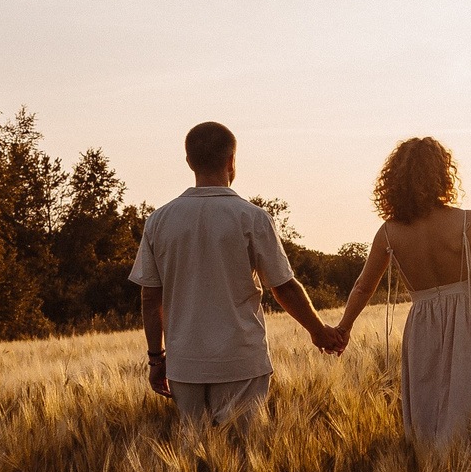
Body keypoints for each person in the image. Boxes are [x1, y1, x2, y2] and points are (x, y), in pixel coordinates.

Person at [132, 121, 343, 430]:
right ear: (231, 160)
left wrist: (156, 357)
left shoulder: (158, 221)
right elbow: (283, 288)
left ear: (189, 161)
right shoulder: (252, 217)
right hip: (241, 361)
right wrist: (318, 332)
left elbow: (150, 298)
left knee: (195, 458)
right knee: (244, 459)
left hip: (184, 365)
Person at [335, 136, 471, 448]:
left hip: (421, 324)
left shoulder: (389, 231)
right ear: (443, 174)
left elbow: (363, 287)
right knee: (469, 404)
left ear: (394, 180)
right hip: (467, 320)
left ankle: (426, 466)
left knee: (426, 404)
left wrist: (343, 328)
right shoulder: (470, 221)